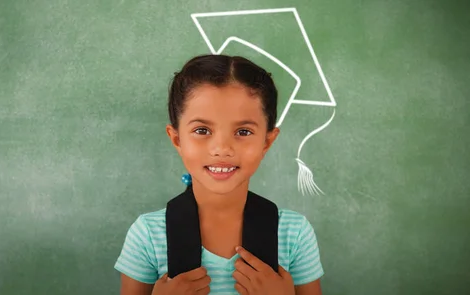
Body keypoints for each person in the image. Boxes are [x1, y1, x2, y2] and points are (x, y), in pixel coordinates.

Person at [114, 54, 324, 295]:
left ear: (267, 141)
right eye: (202, 130)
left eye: (243, 131)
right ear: (177, 139)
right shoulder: (149, 235)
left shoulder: (293, 234)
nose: (222, 149)